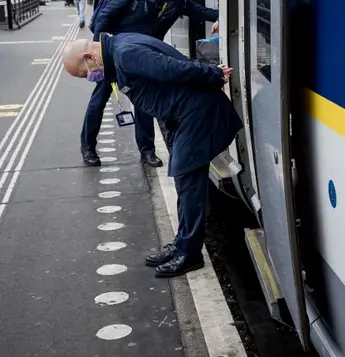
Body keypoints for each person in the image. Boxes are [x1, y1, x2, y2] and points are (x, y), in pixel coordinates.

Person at [62, 34, 242, 277]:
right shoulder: (120, 48)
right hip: (185, 115)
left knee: (188, 181)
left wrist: (214, 73)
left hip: (197, 113)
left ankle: (190, 253)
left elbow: (173, 68)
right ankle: (182, 244)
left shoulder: (125, 54)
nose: (90, 78)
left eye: (85, 74)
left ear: (89, 57)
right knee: (184, 181)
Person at [82, 0, 219, 168]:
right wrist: (99, 51)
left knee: (145, 104)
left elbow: (202, 12)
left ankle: (147, 151)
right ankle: (88, 147)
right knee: (99, 100)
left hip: (143, 58)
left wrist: (224, 16)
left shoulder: (178, 1)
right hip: (115, 54)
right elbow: (105, 16)